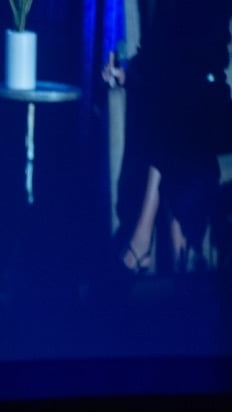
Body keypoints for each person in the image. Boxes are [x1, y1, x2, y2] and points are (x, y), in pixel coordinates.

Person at [106, 0, 232, 274]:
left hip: (214, 105)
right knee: (169, 109)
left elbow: (200, 53)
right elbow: (155, 53)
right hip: (180, 106)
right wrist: (125, 73)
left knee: (170, 105)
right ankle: (178, 255)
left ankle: (143, 239)